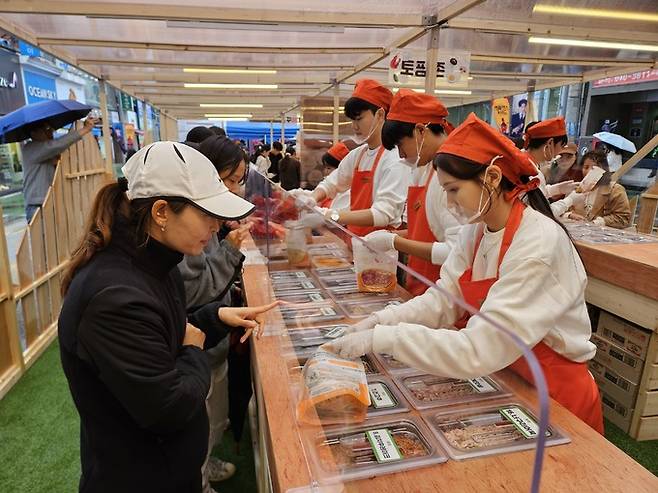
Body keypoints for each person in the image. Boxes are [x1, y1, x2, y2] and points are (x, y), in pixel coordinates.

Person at [324, 113, 604, 434]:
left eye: (454, 189)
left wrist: (386, 338)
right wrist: (382, 321)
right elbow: (443, 300)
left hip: (554, 392)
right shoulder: (477, 232)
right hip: (507, 373)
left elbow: (479, 348)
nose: (450, 202)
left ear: (493, 178)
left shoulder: (537, 244)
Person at [57, 141, 280, 493]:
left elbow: (169, 333)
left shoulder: (156, 261)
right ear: (161, 211)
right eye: (207, 214)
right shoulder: (115, 297)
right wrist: (194, 352)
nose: (218, 224)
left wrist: (216, 317)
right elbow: (169, 407)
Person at [179, 135, 249, 493]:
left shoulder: (210, 223)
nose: (236, 191)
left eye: (239, 180)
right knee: (198, 430)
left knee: (214, 420)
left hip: (213, 344)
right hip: (197, 353)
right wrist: (230, 252)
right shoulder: (187, 230)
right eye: (231, 180)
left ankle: (206, 467)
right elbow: (196, 288)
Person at [364, 89, 460, 296]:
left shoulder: (451, 175)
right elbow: (429, 230)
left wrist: (395, 242)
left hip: (445, 296)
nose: (400, 154)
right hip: (421, 289)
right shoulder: (423, 169)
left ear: (420, 131)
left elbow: (456, 251)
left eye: (400, 145)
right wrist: (392, 234)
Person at [291, 79, 409, 235]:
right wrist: (313, 197)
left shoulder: (394, 159)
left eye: (359, 119)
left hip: (381, 250)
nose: (354, 126)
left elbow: (383, 214)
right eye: (352, 120)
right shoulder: (358, 155)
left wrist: (329, 215)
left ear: (380, 115)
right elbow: (332, 183)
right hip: (356, 241)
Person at [21, 116, 97, 222]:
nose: (50, 133)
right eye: (46, 130)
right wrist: (85, 129)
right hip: (38, 206)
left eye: (50, 130)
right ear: (34, 133)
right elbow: (57, 145)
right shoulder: (31, 148)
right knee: (44, 238)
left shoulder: (44, 151)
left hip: (49, 202)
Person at [523, 118, 583, 217]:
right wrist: (570, 200)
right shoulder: (531, 172)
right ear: (550, 143)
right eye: (561, 146)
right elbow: (542, 214)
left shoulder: (525, 161)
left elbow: (533, 196)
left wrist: (557, 189)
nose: (559, 153)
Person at [565, 150, 631, 229]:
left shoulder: (615, 190)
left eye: (594, 168)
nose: (589, 171)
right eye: (586, 167)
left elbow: (623, 218)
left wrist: (599, 222)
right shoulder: (576, 188)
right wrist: (570, 215)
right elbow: (563, 210)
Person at [319, 142, 351, 210]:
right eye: (324, 167)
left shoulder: (347, 193)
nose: (325, 171)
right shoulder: (328, 186)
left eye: (329, 168)